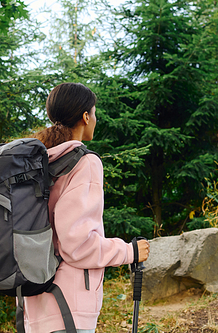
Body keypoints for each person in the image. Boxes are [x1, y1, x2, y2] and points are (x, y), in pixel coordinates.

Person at [23, 82, 150, 333]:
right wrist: (129, 252)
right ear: (85, 116)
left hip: (34, 307)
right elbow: (77, 245)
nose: (95, 119)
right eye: (94, 113)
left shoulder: (37, 163)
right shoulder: (85, 163)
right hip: (69, 308)